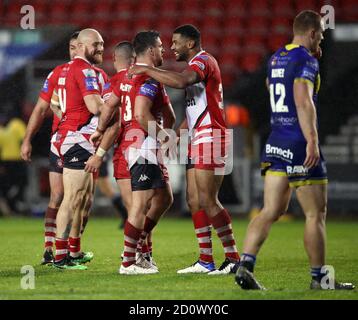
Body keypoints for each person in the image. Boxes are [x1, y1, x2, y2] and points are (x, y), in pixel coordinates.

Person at [234, 10, 355, 290]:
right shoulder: (306, 60)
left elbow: (270, 85)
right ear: (312, 33)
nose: (321, 40)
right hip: (298, 142)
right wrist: (311, 139)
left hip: (276, 141)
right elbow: (303, 100)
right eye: (321, 35)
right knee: (315, 214)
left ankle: (246, 266)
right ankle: (319, 279)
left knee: (269, 210)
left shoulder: (277, 57)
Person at [129, 24, 240, 275]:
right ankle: (206, 261)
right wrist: (175, 137)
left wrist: (148, 68)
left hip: (212, 136)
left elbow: (179, 81)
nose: (171, 47)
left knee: (209, 200)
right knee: (194, 201)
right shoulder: (194, 67)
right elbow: (193, 113)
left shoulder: (204, 61)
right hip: (198, 137)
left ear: (190, 43)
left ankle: (234, 259)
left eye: (176, 42)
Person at [89, 31, 174, 275]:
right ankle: (131, 260)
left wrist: (99, 129)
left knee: (164, 198)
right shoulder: (149, 77)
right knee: (138, 206)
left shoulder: (123, 78)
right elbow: (144, 115)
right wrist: (166, 136)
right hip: (140, 144)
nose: (163, 50)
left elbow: (109, 107)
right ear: (149, 51)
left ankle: (139, 250)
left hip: (136, 145)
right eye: (160, 46)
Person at [21, 31, 93, 266]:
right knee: (59, 195)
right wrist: (27, 139)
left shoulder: (94, 75)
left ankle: (73, 249)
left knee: (83, 199)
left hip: (85, 141)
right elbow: (42, 108)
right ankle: (50, 248)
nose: (74, 52)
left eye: (77, 47)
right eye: (71, 47)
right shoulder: (59, 73)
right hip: (63, 141)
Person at [50, 28, 109, 270]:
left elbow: (56, 104)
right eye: (97, 44)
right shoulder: (84, 69)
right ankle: (60, 257)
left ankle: (71, 253)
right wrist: (117, 106)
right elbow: (95, 106)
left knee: (81, 198)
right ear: (84, 46)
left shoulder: (69, 69)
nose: (102, 48)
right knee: (72, 198)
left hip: (76, 138)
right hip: (76, 139)